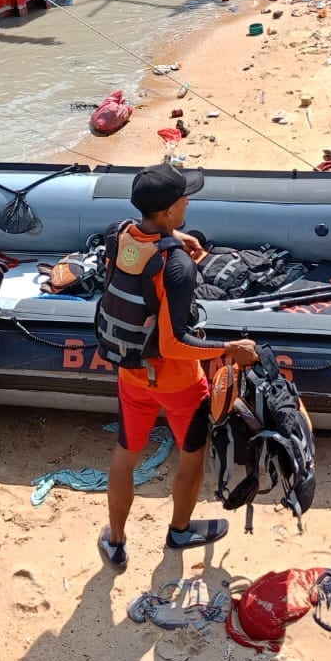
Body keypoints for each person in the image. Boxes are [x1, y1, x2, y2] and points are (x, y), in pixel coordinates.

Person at [98, 165, 259, 569]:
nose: (189, 201)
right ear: (169, 210)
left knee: (126, 454)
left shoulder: (121, 236)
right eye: (184, 198)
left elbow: (143, 246)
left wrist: (172, 236)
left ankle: (115, 542)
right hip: (177, 382)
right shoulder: (178, 268)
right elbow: (173, 343)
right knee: (192, 454)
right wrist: (229, 348)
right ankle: (180, 530)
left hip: (131, 372)